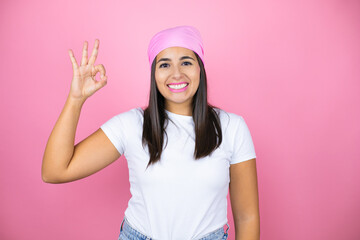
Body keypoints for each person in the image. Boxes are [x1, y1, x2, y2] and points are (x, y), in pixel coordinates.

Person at [42, 25, 260, 240]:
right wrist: (76, 100)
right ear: (153, 74)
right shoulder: (131, 125)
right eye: (165, 65)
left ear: (200, 69)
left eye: (186, 62)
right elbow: (55, 171)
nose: (176, 74)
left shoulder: (232, 127)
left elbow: (246, 217)